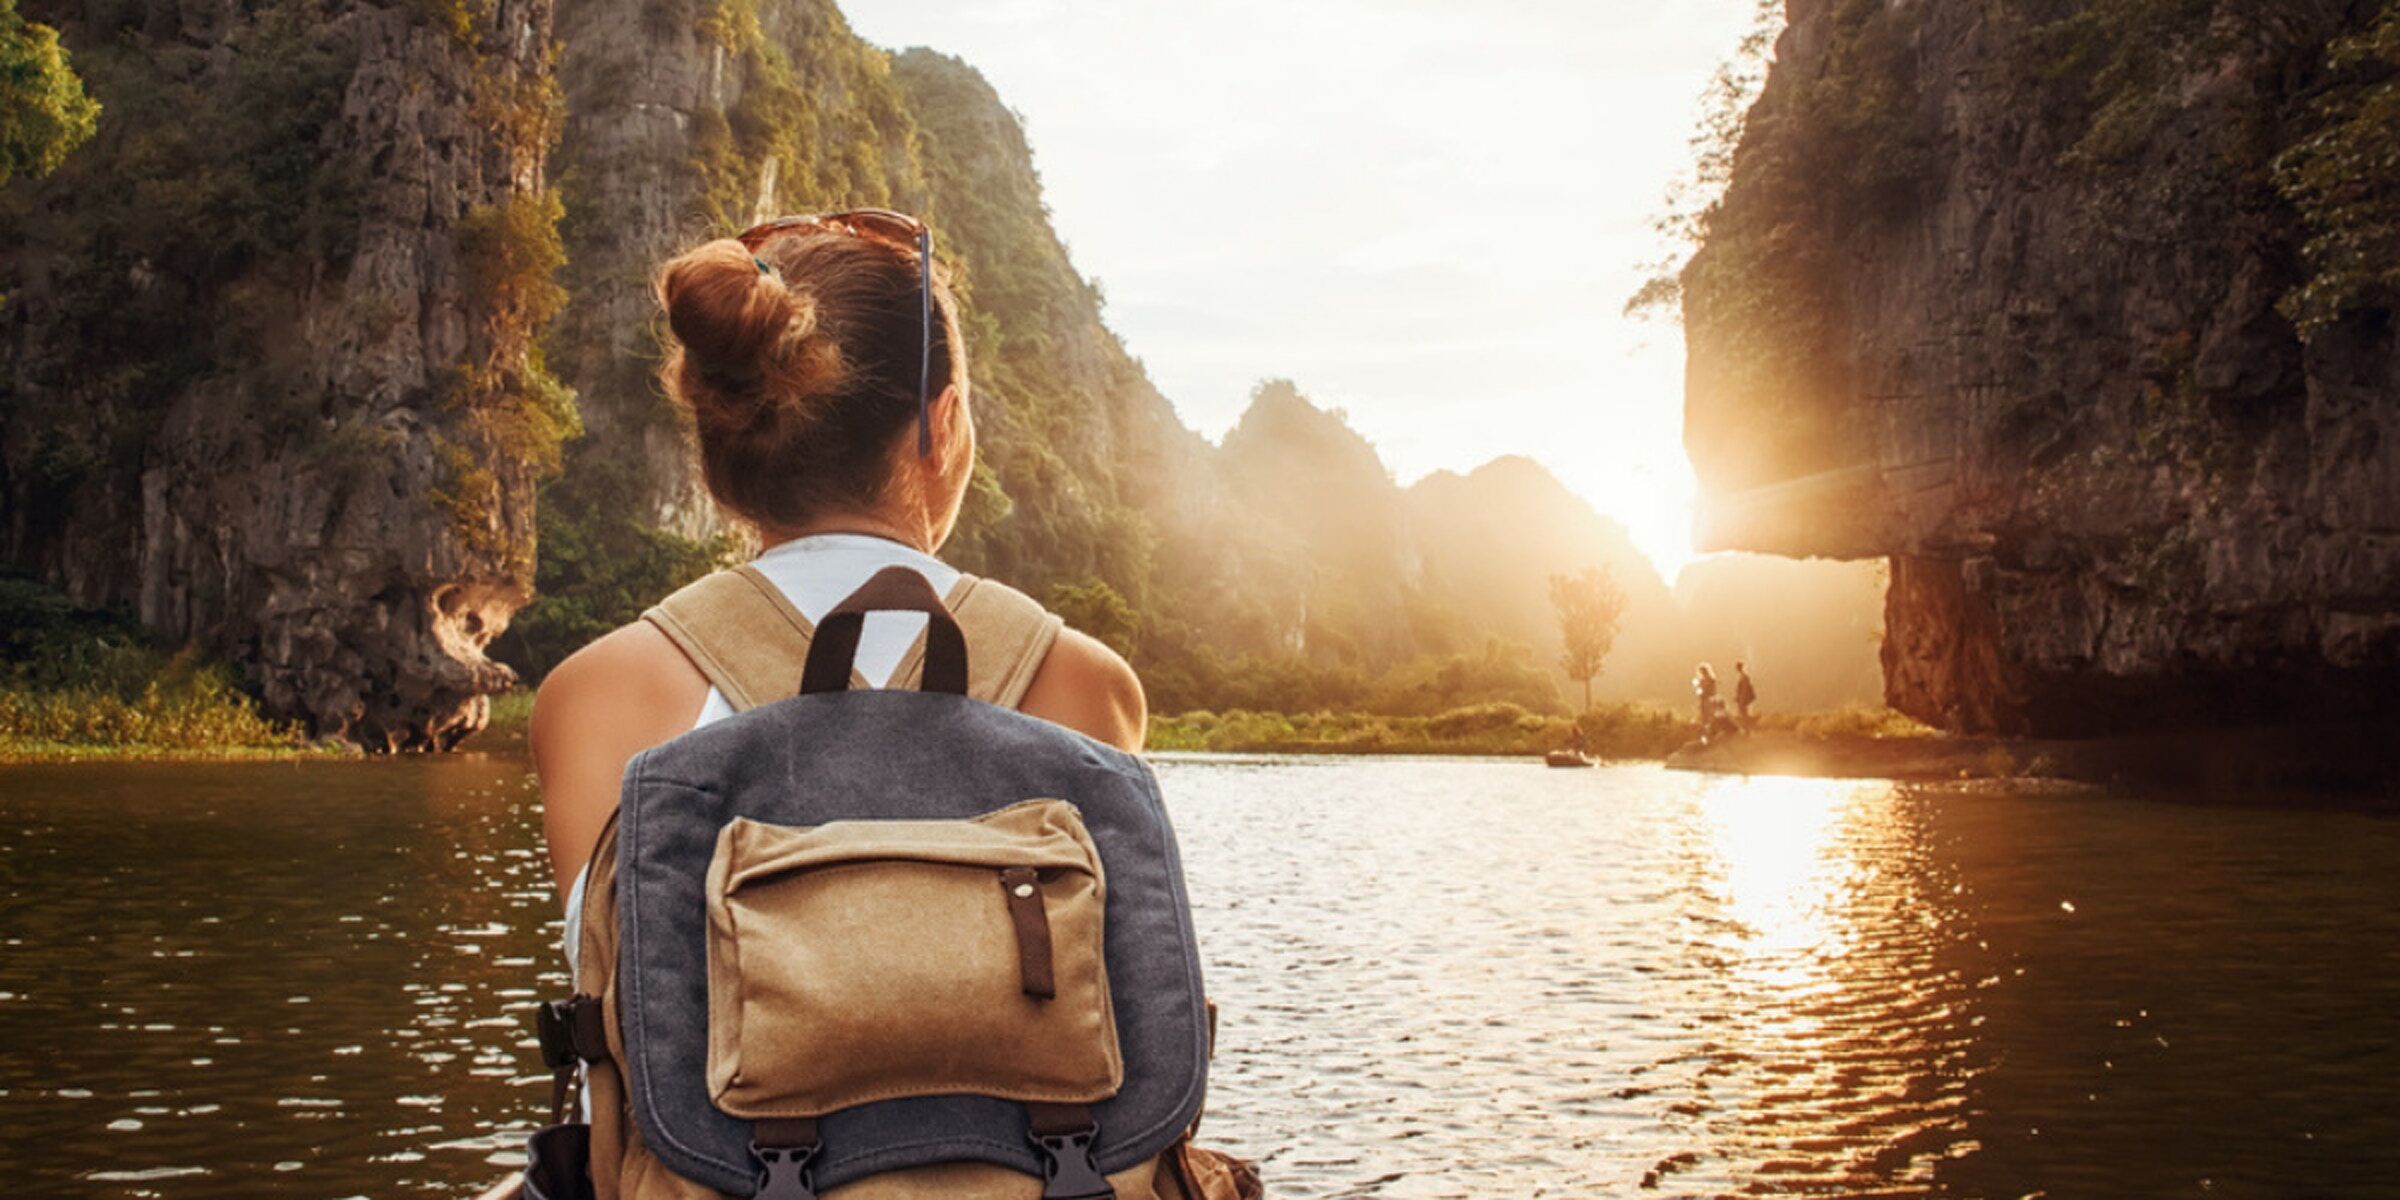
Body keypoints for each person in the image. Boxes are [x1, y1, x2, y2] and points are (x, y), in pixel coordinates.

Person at [529, 210, 1145, 908]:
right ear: (941, 429)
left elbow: (613, 998)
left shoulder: (596, 695)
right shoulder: (1081, 686)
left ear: (716, 442)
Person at [1693, 662, 1722, 743]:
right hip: (1706, 700)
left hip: (1707, 701)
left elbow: (1706, 691)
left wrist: (1700, 689)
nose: (1701, 673)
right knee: (1706, 719)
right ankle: (1708, 737)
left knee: (1708, 719)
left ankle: (1710, 736)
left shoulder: (1708, 680)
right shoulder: (1707, 679)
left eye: (1702, 671)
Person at [1734, 660, 1757, 730]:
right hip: (1742, 697)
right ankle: (1745, 727)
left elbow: (1744, 689)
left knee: (1743, 713)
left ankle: (1746, 727)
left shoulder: (1743, 676)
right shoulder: (1742, 676)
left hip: (1743, 698)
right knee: (1743, 712)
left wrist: (1741, 698)